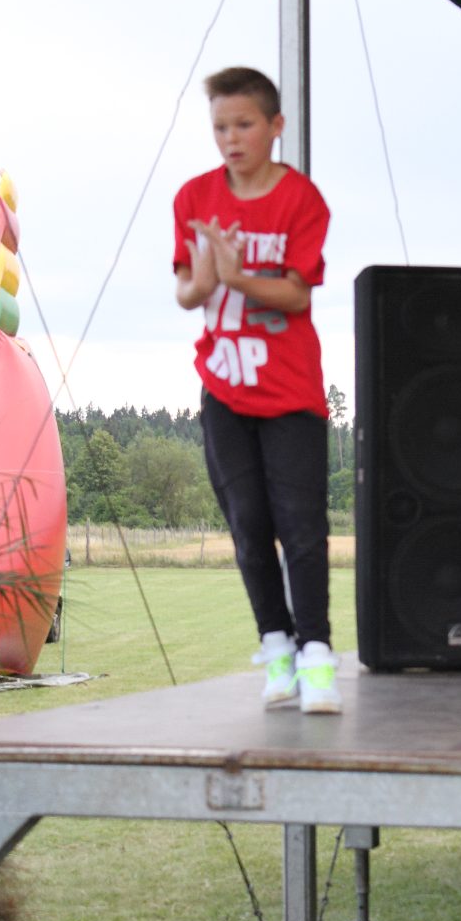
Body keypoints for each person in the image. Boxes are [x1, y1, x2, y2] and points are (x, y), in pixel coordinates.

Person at [173, 66, 341, 713]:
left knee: (301, 527)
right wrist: (209, 272)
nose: (230, 139)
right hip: (224, 388)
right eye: (220, 127)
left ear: (275, 126)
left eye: (243, 125)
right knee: (248, 525)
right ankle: (277, 649)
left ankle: (317, 658)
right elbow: (188, 292)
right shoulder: (194, 197)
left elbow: (296, 294)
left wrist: (238, 275)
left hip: (290, 392)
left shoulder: (301, 199)